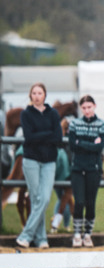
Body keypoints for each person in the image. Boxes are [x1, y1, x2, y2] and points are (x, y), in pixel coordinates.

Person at [15, 83, 64, 249]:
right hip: (31, 160)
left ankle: (26, 235)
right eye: (34, 93)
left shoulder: (53, 114)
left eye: (40, 93)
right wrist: (48, 134)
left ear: (45, 95)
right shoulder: (26, 114)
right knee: (37, 200)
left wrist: (41, 136)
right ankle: (41, 239)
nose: (37, 96)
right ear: (30, 96)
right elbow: (29, 137)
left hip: (49, 161)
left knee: (44, 198)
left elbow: (58, 137)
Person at [66, 95, 104, 248]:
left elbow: (100, 146)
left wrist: (81, 143)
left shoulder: (102, 124)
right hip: (78, 168)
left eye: (89, 107)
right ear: (80, 109)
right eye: (84, 108)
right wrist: (90, 143)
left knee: (90, 203)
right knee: (79, 201)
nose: (87, 110)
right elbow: (72, 145)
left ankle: (88, 234)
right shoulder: (74, 124)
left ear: (94, 106)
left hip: (94, 169)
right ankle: (77, 234)